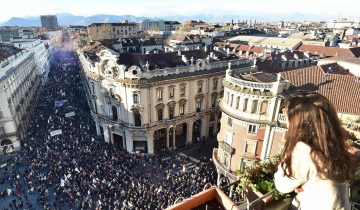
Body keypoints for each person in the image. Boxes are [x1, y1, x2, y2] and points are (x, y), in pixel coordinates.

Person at [274, 91, 357, 210]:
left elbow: (281, 185)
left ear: (299, 123)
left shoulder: (303, 150)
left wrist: (287, 155)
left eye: (287, 115)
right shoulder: (332, 145)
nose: (286, 120)